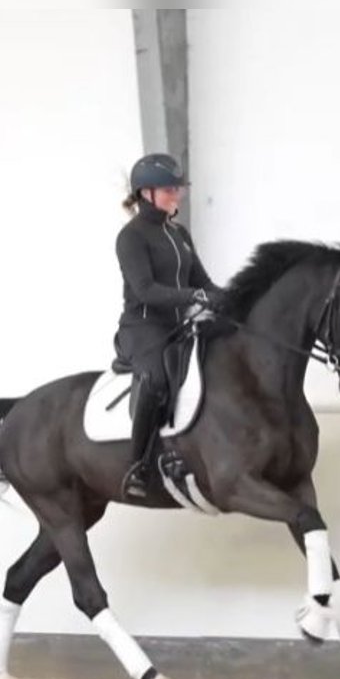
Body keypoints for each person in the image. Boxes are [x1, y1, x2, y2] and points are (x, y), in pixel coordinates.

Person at [114, 153, 227, 500]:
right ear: (146, 193)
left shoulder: (179, 234)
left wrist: (233, 298)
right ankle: (138, 464)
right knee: (158, 377)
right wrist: (193, 296)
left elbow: (203, 281)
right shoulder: (131, 237)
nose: (176, 195)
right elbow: (146, 290)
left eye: (177, 189)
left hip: (179, 326)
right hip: (143, 328)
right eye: (169, 189)